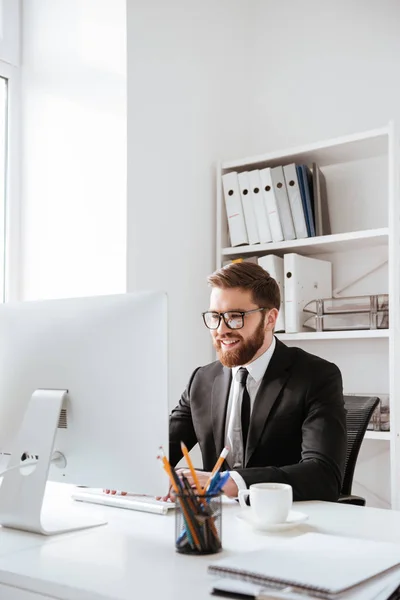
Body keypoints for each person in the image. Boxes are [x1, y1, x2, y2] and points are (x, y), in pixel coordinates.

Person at [169, 261, 347, 501]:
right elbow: (161, 450)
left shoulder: (316, 377)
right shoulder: (201, 380)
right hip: (216, 524)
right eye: (215, 317)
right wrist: (126, 477)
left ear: (270, 319)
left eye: (235, 317)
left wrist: (228, 482)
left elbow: (323, 475)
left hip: (285, 523)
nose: (221, 330)